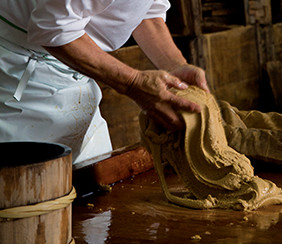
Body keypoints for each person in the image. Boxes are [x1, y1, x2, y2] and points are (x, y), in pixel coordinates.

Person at [0, 0, 209, 163]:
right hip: (20, 74)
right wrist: (132, 82)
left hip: (76, 67)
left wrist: (175, 65)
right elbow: (53, 28)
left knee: (95, 186)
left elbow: (147, 12)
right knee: (26, 198)